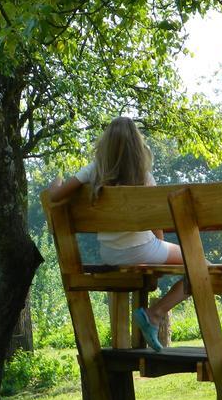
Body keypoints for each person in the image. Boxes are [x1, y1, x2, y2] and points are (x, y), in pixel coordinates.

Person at [48, 116, 188, 351]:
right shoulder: (144, 176)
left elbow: (55, 196)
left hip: (110, 254)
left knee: (185, 260)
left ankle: (153, 314)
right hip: (142, 249)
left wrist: (56, 182)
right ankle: (156, 313)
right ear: (137, 145)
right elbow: (157, 221)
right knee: (201, 265)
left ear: (106, 145)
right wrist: (159, 249)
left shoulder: (93, 171)